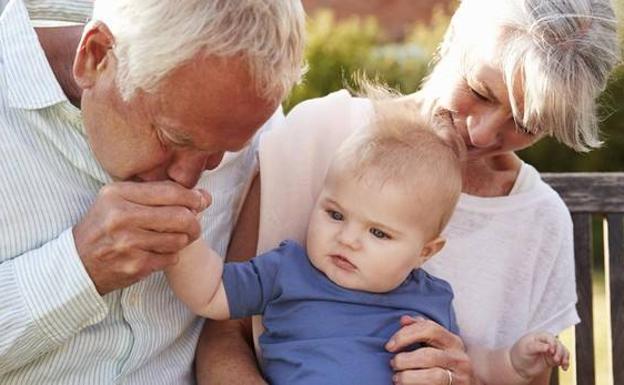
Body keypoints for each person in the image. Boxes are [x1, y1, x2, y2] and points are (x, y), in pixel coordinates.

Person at [194, 0, 620, 384]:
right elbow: (223, 334)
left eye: (527, 124)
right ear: (453, 36)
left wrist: (466, 378)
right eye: (479, 91)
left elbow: (530, 377)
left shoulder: (539, 220)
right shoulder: (319, 137)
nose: (482, 132)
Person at [0, 0, 304, 384]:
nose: (187, 177)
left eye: (222, 153)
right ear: (95, 57)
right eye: (172, 138)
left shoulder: (247, 118)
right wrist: (79, 268)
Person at [168, 103, 570, 385]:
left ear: (425, 252)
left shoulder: (429, 298)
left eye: (378, 233)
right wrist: (182, 238)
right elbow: (210, 292)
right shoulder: (287, 269)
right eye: (335, 214)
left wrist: (516, 362)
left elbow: (476, 363)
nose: (347, 239)